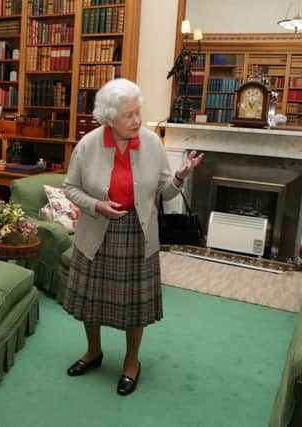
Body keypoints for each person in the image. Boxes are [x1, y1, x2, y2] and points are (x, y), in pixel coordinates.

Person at [62, 78, 203, 396]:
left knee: (134, 305)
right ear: (110, 118)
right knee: (91, 300)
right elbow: (70, 188)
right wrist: (96, 204)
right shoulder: (88, 144)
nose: (138, 120)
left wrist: (180, 176)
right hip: (97, 229)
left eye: (138, 112)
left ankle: (131, 362)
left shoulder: (152, 143)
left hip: (138, 232)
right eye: (129, 115)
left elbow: (165, 193)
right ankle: (93, 351)